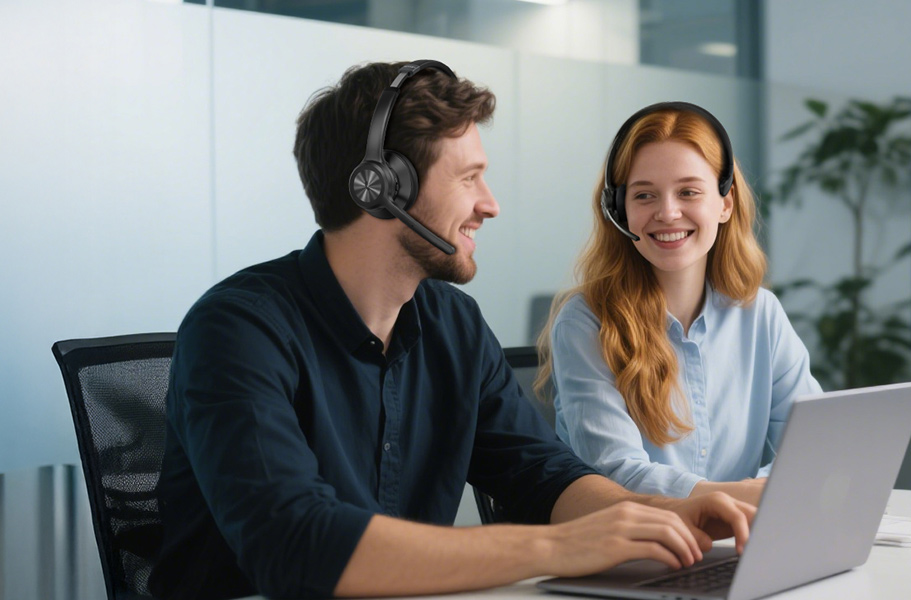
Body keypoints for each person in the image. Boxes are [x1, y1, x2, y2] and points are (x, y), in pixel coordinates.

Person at [150, 62, 753, 600]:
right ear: (383, 189)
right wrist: (560, 549)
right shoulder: (237, 330)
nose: (489, 204)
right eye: (468, 178)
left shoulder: (451, 324)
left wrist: (667, 514)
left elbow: (542, 475)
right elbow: (295, 544)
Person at [543, 103, 822, 508]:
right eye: (644, 195)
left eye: (688, 191)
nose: (668, 213)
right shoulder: (586, 322)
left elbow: (810, 447)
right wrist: (744, 496)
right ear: (617, 210)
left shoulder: (761, 314)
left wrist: (764, 494)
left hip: (737, 543)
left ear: (725, 203)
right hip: (633, 554)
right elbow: (615, 475)